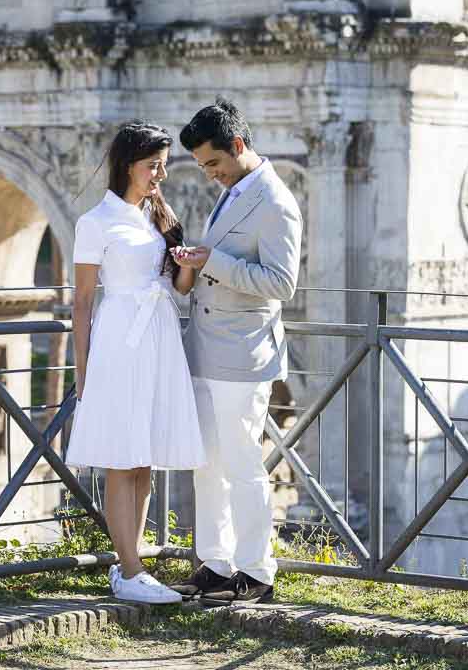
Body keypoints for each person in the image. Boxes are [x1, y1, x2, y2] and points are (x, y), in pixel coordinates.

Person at [167, 98, 303, 606]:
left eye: (214, 164)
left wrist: (211, 261)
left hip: (244, 355)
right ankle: (215, 564)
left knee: (245, 467)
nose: (209, 175)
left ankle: (256, 572)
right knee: (207, 466)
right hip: (207, 348)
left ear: (238, 147)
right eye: (203, 166)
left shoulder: (275, 201)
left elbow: (282, 283)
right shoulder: (234, 190)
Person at [67, 122, 206, 605]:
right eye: (154, 164)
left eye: (164, 164)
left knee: (144, 458)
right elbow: (82, 303)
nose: (161, 174)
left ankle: (136, 565)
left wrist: (188, 263)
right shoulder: (95, 222)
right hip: (118, 342)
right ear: (129, 164)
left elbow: (179, 288)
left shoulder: (159, 216)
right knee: (121, 459)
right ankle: (127, 570)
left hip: (160, 336)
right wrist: (83, 374)